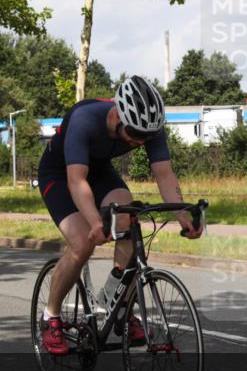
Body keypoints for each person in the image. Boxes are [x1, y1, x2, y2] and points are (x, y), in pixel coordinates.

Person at [37, 76, 202, 355]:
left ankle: (119, 303)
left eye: (146, 138)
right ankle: (50, 316)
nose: (140, 142)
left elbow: (163, 174)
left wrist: (182, 213)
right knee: (82, 244)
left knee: (129, 216)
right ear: (117, 115)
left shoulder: (149, 127)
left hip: (99, 171)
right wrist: (94, 222)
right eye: (135, 135)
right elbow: (77, 181)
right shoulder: (84, 118)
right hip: (61, 175)